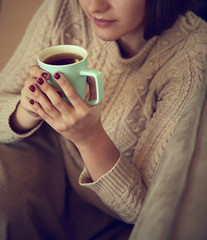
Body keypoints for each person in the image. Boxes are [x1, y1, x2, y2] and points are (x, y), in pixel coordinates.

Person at [0, 0, 206, 239]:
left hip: (107, 215)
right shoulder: (63, 8)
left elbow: (143, 208)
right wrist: (28, 109)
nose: (93, 6)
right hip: (41, 169)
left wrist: (89, 138)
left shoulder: (191, 58)